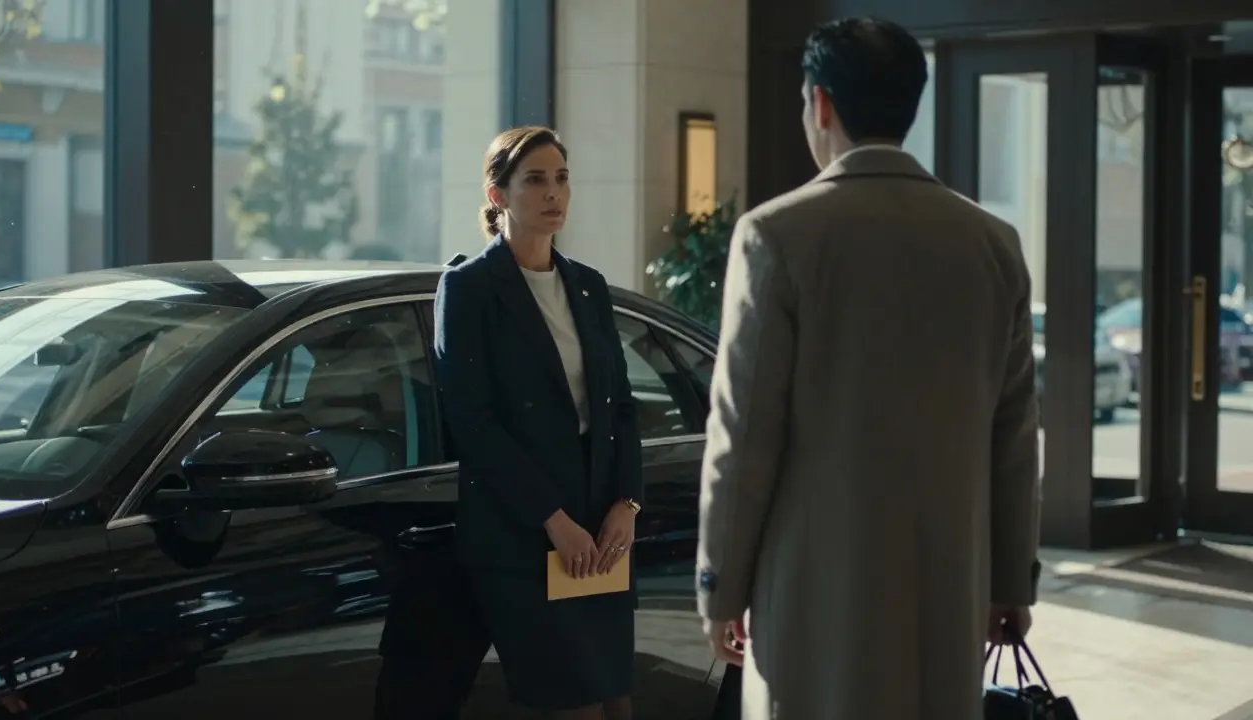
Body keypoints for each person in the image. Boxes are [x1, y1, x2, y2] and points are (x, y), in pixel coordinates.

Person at [694, 17, 1042, 719]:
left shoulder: (776, 236)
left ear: (820, 103)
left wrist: (720, 586)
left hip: (815, 599)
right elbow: (1013, 437)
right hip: (949, 595)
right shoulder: (992, 243)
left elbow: (745, 432)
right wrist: (1011, 582)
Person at [433, 125, 643, 720]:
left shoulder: (588, 285)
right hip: (525, 535)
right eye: (535, 180)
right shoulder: (469, 289)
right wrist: (553, 519)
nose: (553, 193)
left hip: (599, 531)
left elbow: (621, 405)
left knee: (616, 706)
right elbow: (473, 423)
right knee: (573, 708)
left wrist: (627, 503)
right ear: (497, 195)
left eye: (561, 178)